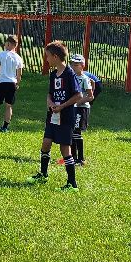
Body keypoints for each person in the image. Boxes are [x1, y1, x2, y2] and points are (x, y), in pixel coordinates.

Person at [32, 41, 85, 189]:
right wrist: (50, 102)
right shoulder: (53, 74)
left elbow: (78, 95)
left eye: (47, 56)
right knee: (46, 143)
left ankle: (72, 183)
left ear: (55, 56)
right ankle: (43, 174)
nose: (46, 59)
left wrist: (61, 106)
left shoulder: (69, 74)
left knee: (65, 149)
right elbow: (50, 94)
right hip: (52, 115)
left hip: (66, 117)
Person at [68, 53, 98, 166]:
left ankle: (80, 159)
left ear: (82, 66)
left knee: (77, 133)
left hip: (81, 108)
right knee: (71, 132)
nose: (73, 66)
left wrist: (78, 102)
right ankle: (72, 158)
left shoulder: (84, 79)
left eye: (76, 64)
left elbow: (90, 96)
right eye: (72, 64)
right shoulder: (71, 77)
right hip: (72, 107)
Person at [0, 34, 23, 131]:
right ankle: (4, 127)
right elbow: (19, 74)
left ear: (8, 44)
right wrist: (17, 84)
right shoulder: (18, 58)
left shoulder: (1, 55)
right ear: (15, 45)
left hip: (1, 82)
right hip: (12, 83)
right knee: (9, 105)